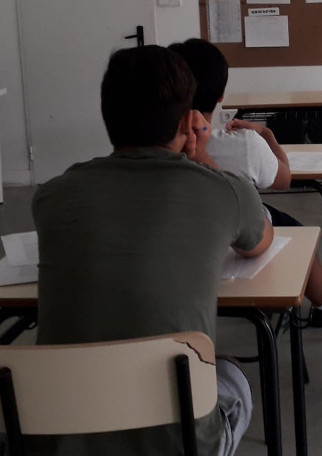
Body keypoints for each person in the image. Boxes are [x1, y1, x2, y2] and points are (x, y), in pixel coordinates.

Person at [33, 45, 272, 454]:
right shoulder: (223, 193)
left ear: (108, 117)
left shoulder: (53, 197)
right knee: (231, 377)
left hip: (54, 433)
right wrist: (200, 157)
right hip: (179, 438)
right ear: (187, 120)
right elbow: (259, 242)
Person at [170, 38, 322, 328]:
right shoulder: (245, 144)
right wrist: (267, 135)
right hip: (242, 242)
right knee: (298, 232)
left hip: (181, 253)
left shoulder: (160, 148)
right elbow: (283, 178)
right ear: (220, 95)